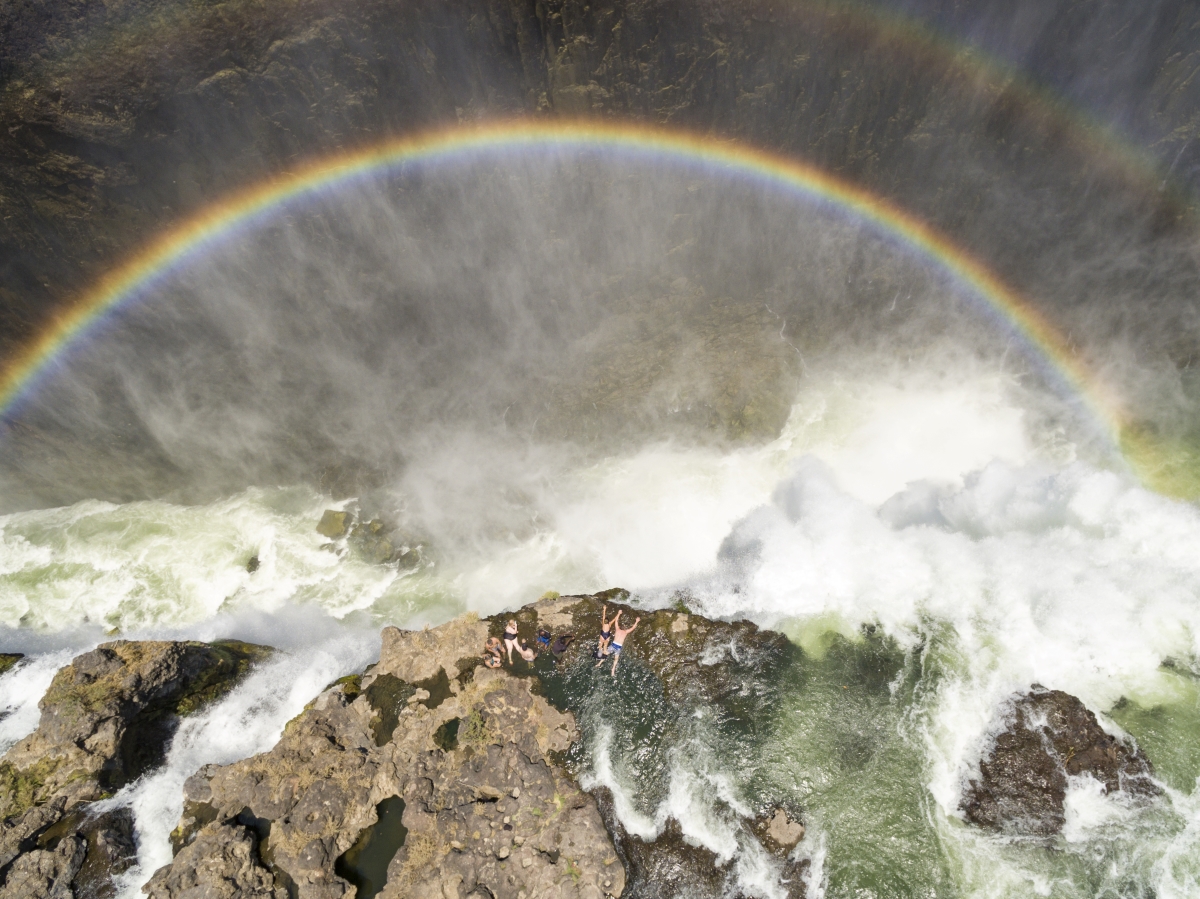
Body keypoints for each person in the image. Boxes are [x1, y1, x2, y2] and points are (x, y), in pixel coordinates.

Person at [606, 611, 640, 677]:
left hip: (615, 645)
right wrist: (636, 621)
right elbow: (632, 628)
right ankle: (612, 668)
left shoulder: (619, 629)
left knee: (608, 655)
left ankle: (608, 667)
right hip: (617, 646)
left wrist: (619, 613)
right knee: (615, 658)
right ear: (624, 628)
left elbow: (616, 622)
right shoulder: (625, 631)